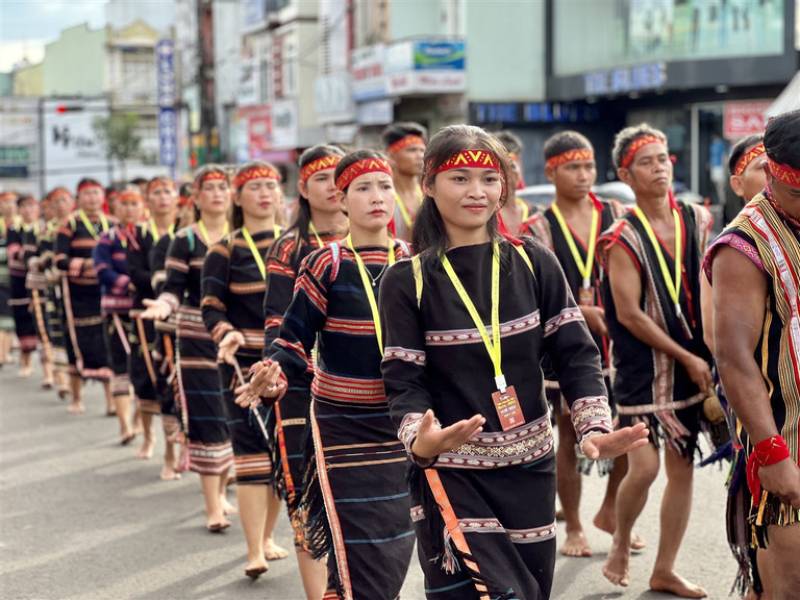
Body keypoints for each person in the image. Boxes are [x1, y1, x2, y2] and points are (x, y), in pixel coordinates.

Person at [378, 124, 647, 599]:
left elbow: (576, 355)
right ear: (429, 186)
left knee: (529, 590)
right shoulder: (407, 279)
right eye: (459, 178)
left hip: (530, 467)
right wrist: (422, 440)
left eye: (489, 178)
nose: (477, 192)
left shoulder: (533, 262)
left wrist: (593, 430)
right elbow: (404, 378)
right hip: (451, 469)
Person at [243, 149, 415, 600]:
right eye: (363, 188)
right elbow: (292, 336)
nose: (377, 197)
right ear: (342, 200)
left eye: (384, 187)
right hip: (344, 426)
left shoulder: (417, 262)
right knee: (361, 549)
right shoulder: (326, 263)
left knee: (397, 545)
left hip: (406, 425)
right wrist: (273, 370)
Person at [599, 124, 713, 598]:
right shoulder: (620, 237)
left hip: (694, 363)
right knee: (643, 468)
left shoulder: (699, 218)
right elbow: (629, 313)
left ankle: (664, 568)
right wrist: (686, 356)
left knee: (682, 469)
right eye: (647, 162)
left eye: (664, 158)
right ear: (626, 173)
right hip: (645, 370)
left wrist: (709, 353)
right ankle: (621, 540)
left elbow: (712, 287)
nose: (659, 168)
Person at [521, 131, 638, 559]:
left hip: (619, 338)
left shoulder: (617, 213)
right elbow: (533, 288)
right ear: (552, 171)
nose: (584, 175)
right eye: (573, 167)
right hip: (563, 341)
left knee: (626, 429)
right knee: (569, 430)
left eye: (589, 166)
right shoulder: (537, 227)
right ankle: (572, 525)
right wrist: (580, 313)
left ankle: (611, 510)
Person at [705, 109, 800, 600]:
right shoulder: (742, 247)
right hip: (787, 438)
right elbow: (735, 358)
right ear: (769, 172)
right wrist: (771, 454)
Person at [258, 144, 346, 598]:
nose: (333, 186)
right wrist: (275, 368)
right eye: (321, 178)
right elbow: (277, 321)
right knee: (307, 501)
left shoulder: (386, 241)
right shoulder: (290, 247)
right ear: (303, 189)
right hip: (303, 389)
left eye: (339, 176)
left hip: (365, 391)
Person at [201, 161, 288, 578]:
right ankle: (253, 549)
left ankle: (270, 536)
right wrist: (226, 332)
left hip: (289, 364)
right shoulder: (224, 250)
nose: (264, 193)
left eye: (271, 185)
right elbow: (210, 304)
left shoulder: (295, 244)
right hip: (242, 364)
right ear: (238, 198)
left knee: (281, 455)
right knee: (251, 454)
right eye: (254, 187)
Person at [140, 165, 235, 531]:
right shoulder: (185, 239)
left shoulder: (241, 238)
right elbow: (172, 287)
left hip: (237, 339)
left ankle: (224, 491)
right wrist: (164, 305)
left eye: (222, 187)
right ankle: (212, 506)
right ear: (195, 197)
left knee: (234, 417)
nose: (216, 194)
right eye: (208, 188)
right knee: (207, 417)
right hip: (196, 336)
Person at [130, 176, 180, 476]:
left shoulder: (187, 232)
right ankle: (154, 441)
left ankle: (181, 448)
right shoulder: (139, 234)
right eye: (156, 193)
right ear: (147, 200)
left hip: (182, 316)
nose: (162, 198)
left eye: (167, 192)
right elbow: (135, 272)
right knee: (151, 379)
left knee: (179, 382)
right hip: (147, 314)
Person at [55, 178, 115, 415]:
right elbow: (59, 260)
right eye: (87, 194)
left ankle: (112, 401)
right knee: (77, 343)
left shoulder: (112, 224)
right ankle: (77, 397)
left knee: (106, 344)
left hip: (105, 291)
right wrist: (87, 264)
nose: (92, 198)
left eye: (96, 193)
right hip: (77, 296)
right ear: (79, 199)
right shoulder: (69, 224)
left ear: (103, 197)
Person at [93, 187, 146, 445]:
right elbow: (102, 269)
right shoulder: (107, 238)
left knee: (142, 366)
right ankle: (125, 424)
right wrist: (129, 283)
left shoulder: (147, 236)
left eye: (135, 203)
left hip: (143, 309)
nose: (129, 209)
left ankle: (138, 420)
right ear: (115, 209)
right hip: (115, 309)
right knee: (119, 365)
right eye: (124, 204)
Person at [37, 187, 75, 398]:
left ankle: (74, 376)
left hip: (78, 286)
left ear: (72, 202)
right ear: (50, 206)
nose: (61, 205)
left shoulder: (80, 225)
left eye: (64, 200)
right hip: (55, 287)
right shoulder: (46, 231)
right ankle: (62, 380)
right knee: (57, 332)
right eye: (56, 202)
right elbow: (43, 258)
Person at [7, 194, 41, 378]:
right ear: (19, 210)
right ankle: (25, 359)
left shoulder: (43, 227)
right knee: (23, 318)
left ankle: (49, 369)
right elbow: (14, 253)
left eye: (32, 206)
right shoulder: (14, 229)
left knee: (41, 318)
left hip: (39, 280)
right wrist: (32, 256)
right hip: (19, 280)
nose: (29, 210)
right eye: (25, 207)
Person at [383, 122, 427, 240]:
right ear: (391, 156)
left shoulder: (430, 194)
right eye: (412, 150)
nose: (420, 156)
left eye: (422, 150)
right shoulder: (382, 198)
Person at [496, 130, 533, 235]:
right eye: (503, 167)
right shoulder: (483, 218)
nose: (514, 171)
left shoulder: (536, 215)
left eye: (513, 166)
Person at [0, 191, 18, 366]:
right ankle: (2, 353)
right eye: (5, 202)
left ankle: (5, 351)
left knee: (9, 317)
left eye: (12, 203)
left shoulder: (23, 226)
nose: (9, 206)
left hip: (16, 278)